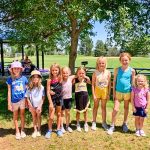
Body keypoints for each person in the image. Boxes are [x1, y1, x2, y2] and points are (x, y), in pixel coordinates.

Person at [107, 52, 135, 135]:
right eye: (123, 60)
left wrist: (133, 94)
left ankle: (125, 123)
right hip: (118, 92)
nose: (124, 62)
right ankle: (112, 125)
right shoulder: (117, 70)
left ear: (129, 60)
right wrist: (113, 92)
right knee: (115, 109)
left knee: (126, 108)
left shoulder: (132, 71)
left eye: (126, 60)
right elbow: (114, 81)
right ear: (120, 61)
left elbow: (133, 83)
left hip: (127, 92)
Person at [6, 61, 28, 140]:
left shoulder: (24, 78)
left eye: (18, 68)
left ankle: (22, 130)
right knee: (15, 116)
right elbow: (9, 91)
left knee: (22, 115)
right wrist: (9, 103)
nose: (16, 70)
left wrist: (26, 101)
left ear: (21, 69)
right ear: (12, 69)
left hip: (22, 100)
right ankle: (17, 131)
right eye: (14, 68)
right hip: (14, 101)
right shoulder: (9, 79)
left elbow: (27, 90)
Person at [91, 57, 111, 131]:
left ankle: (104, 122)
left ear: (105, 64)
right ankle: (94, 122)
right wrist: (93, 94)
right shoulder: (95, 72)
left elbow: (109, 85)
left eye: (103, 63)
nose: (101, 64)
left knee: (103, 107)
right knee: (95, 107)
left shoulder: (108, 72)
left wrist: (109, 94)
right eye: (100, 63)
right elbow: (92, 84)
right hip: (97, 91)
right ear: (97, 64)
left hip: (104, 91)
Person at [45, 63, 63, 138]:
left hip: (59, 98)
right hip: (52, 99)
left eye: (56, 70)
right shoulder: (49, 80)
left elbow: (70, 76)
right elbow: (48, 92)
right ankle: (49, 130)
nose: (54, 71)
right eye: (53, 70)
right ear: (51, 71)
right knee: (51, 116)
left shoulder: (60, 78)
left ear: (59, 70)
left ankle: (58, 129)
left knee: (59, 114)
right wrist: (50, 103)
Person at [25, 70, 45, 138]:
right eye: (34, 77)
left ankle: (39, 130)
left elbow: (43, 97)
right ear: (31, 78)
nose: (35, 78)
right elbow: (27, 97)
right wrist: (30, 106)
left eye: (37, 77)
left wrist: (40, 106)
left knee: (38, 117)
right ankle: (35, 130)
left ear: (39, 78)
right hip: (32, 106)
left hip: (39, 106)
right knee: (34, 117)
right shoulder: (29, 87)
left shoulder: (41, 87)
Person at [73, 66, 91, 132]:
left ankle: (86, 123)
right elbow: (71, 82)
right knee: (78, 111)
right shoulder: (75, 80)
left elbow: (90, 83)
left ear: (85, 73)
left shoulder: (86, 79)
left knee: (85, 111)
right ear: (77, 73)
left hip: (85, 96)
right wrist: (75, 77)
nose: (81, 75)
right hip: (78, 97)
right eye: (79, 73)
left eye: (83, 73)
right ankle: (78, 124)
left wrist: (87, 77)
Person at [60, 67, 75, 133]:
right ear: (61, 73)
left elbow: (78, 74)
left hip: (68, 98)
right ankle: (61, 126)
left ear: (69, 73)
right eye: (63, 73)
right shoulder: (60, 80)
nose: (65, 74)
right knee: (62, 113)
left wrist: (86, 77)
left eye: (66, 73)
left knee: (68, 113)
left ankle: (67, 126)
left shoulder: (71, 78)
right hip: (62, 98)